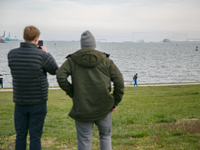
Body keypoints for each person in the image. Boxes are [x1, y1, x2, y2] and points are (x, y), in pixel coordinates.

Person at [56, 30, 124, 150]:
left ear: (82, 45)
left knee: (84, 140)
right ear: (94, 44)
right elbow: (119, 81)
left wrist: (72, 93)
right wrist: (115, 101)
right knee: (105, 136)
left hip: (82, 107)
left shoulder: (72, 60)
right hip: (104, 106)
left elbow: (60, 75)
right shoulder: (106, 60)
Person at [7, 26, 58, 150]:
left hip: (20, 101)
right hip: (38, 102)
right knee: (35, 136)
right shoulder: (42, 55)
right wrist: (46, 53)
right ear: (37, 39)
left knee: (20, 135)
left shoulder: (12, 54)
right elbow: (55, 70)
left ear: (23, 37)